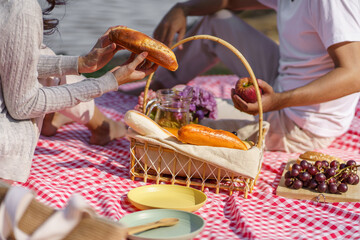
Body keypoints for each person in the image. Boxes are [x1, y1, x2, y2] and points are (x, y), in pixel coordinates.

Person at [131, 0, 360, 153]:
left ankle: (158, 103)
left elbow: (355, 74)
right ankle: (158, 84)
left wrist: (278, 101)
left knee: (181, 124)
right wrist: (183, 8)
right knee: (218, 21)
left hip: (301, 123)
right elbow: (229, 1)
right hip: (281, 78)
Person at [0, 0, 158, 183]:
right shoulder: (22, 7)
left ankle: (87, 123)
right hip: (4, 159)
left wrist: (82, 63)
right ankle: (99, 125)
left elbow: (15, 60)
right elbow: (24, 105)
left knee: (44, 53)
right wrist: (107, 82)